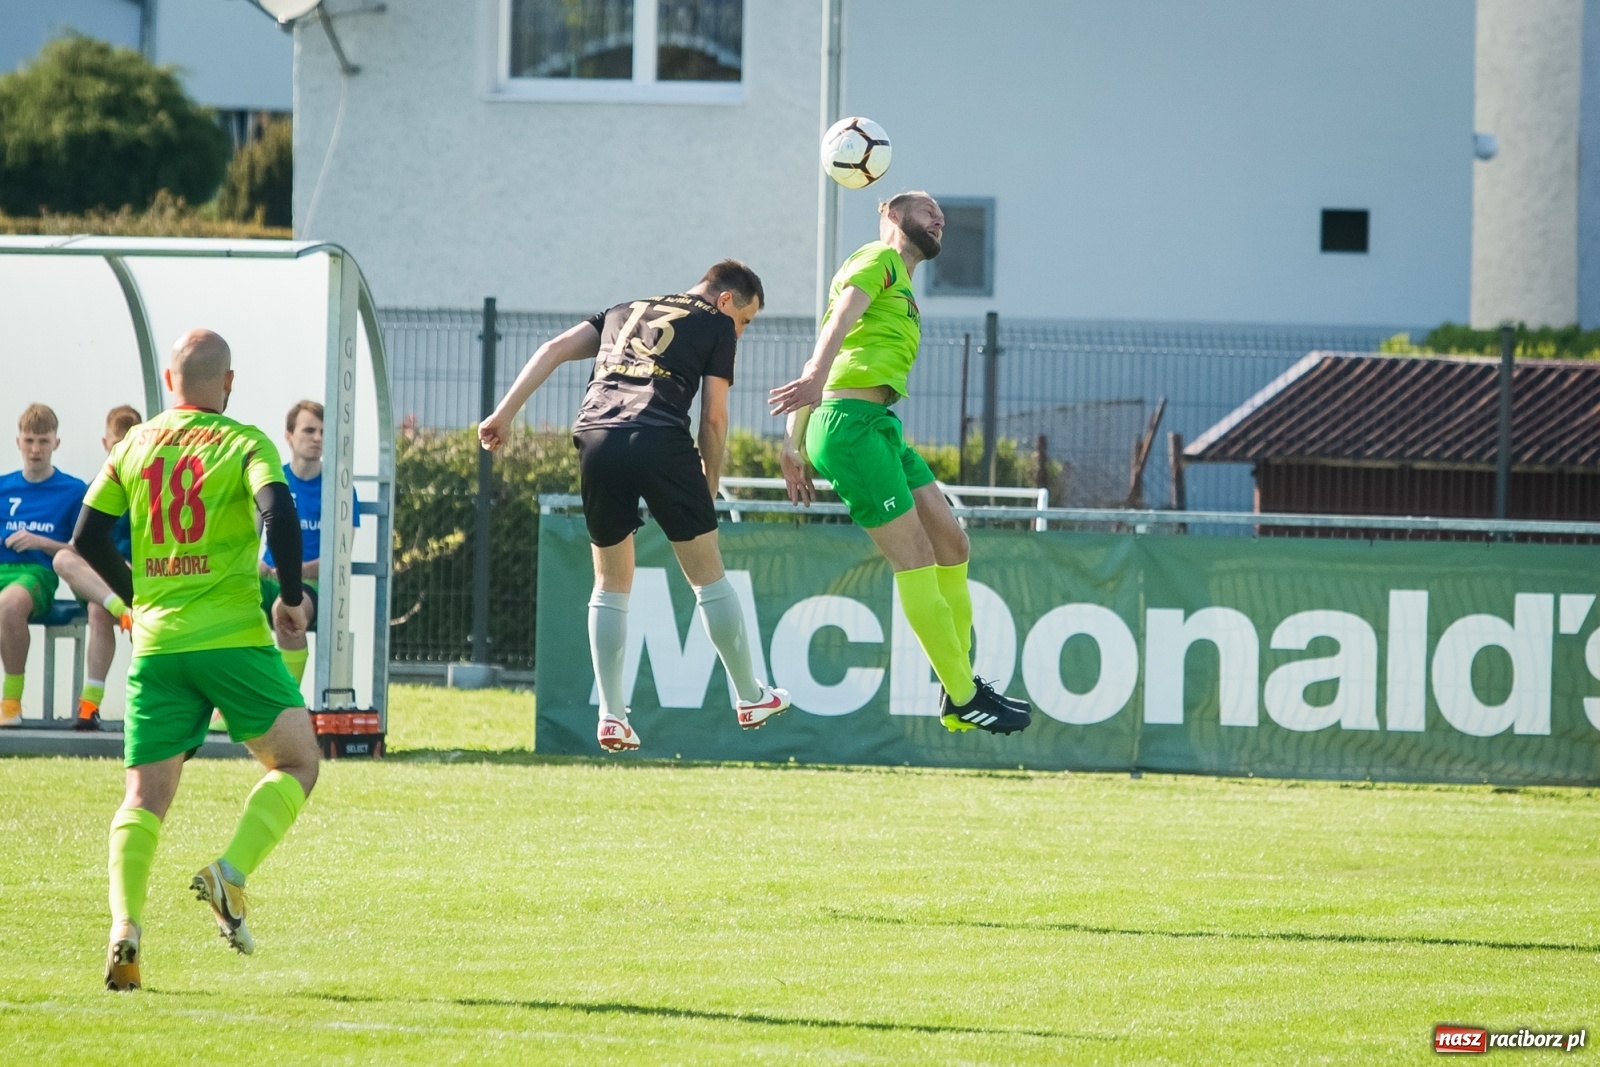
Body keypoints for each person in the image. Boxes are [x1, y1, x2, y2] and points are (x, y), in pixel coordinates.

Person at [72, 329, 320, 991]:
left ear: (168, 377)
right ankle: (229, 873)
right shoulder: (245, 441)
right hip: (232, 639)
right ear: (228, 383)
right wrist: (292, 598)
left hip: (158, 646)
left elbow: (87, 536)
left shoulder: (132, 442)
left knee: (143, 798)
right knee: (298, 760)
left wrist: (139, 598)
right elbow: (280, 513)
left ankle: (124, 928)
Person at [479, 260, 790, 752]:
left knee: (609, 583)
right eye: (745, 321)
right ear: (726, 300)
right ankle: (750, 694)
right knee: (708, 578)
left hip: (595, 436)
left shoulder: (624, 309)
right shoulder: (714, 322)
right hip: (659, 437)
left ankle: (610, 714)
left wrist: (503, 412)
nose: (742, 333)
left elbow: (554, 349)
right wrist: (708, 485)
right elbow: (713, 418)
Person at [770, 192, 1032, 734]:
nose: (940, 218)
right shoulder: (879, 259)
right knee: (914, 557)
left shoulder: (903, 287)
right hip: (849, 428)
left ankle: (961, 685)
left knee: (953, 545)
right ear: (890, 212)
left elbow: (836, 348)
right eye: (927, 209)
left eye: (942, 216)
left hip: (878, 426)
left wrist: (791, 442)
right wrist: (812, 395)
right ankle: (962, 695)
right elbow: (835, 327)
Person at [0, 403, 129, 727]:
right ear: (18, 442)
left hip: (35, 574)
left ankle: (11, 703)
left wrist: (41, 542)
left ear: (56, 443)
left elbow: (82, 549)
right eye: (29, 440)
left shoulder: (74, 490)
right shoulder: (4, 486)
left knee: (10, 604)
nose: (35, 449)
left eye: (43, 441)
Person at [51, 404, 143, 731]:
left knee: (100, 610)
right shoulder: (93, 489)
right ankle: (120, 608)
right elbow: (75, 545)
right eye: (116, 445)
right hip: (100, 583)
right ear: (105, 444)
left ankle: (91, 706)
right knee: (65, 562)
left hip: (135, 583)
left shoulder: (147, 491)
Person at [259, 400, 359, 687]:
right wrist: (253, 565)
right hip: (267, 578)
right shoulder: (271, 480)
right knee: (225, 606)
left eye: (323, 432)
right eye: (309, 430)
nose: (317, 438)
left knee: (286, 609)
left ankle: (286, 704)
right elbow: (247, 536)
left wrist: (294, 572)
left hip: (310, 587)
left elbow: (339, 560)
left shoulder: (340, 490)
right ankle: (230, 707)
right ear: (289, 436)